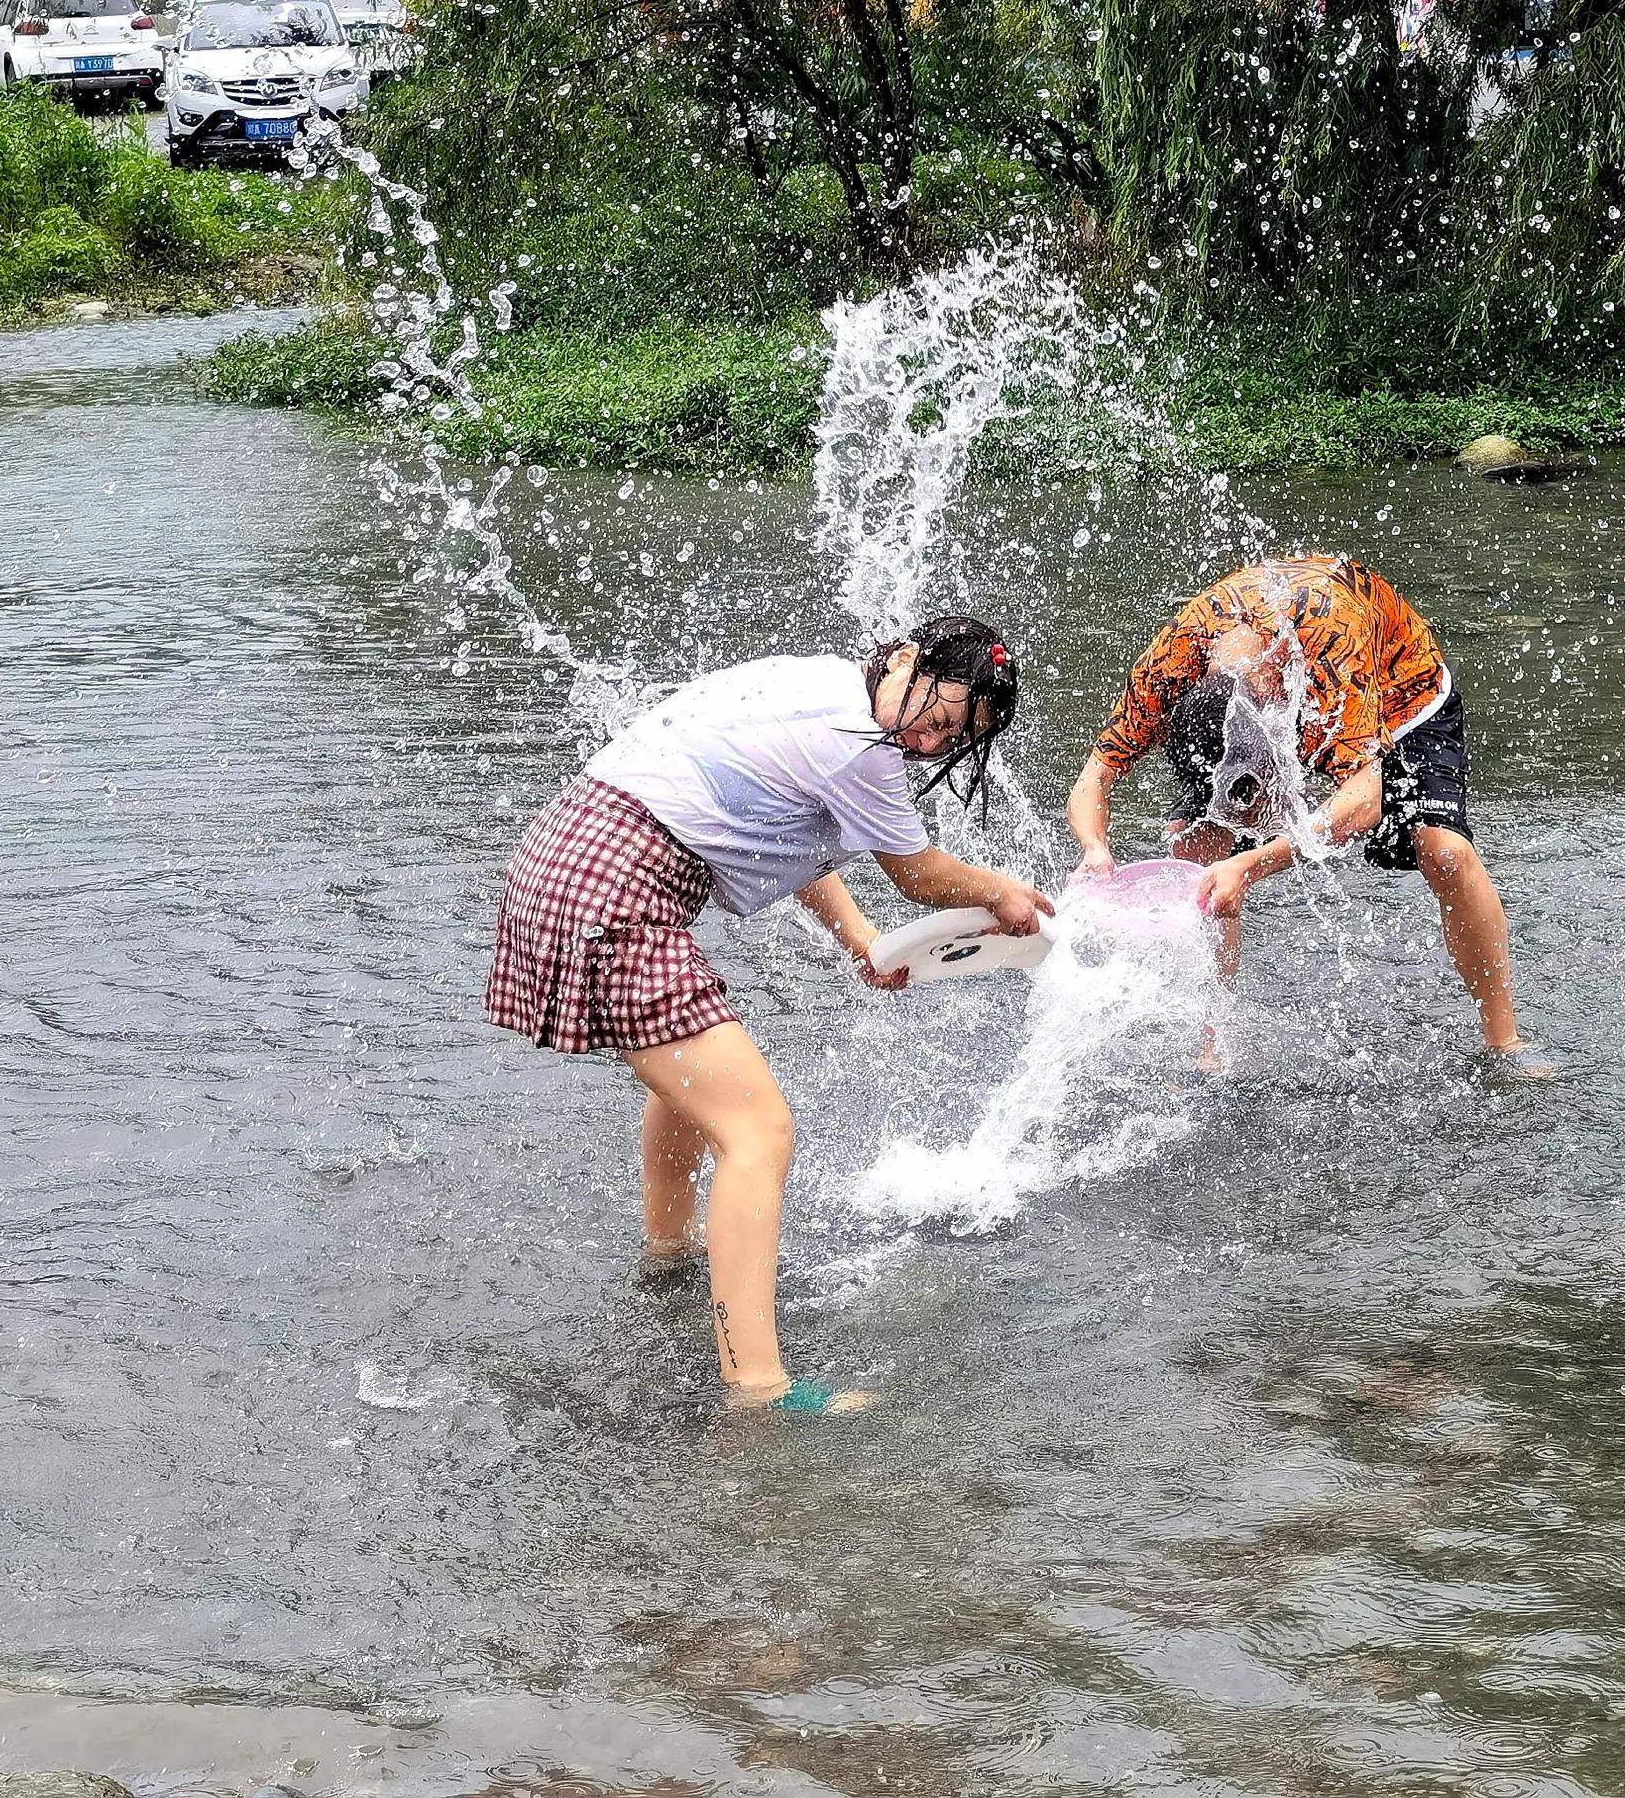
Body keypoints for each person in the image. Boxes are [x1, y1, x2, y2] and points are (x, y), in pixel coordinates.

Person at [486, 617, 1051, 1412]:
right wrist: (1002, 894)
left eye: (950, 739)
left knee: (690, 1078)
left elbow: (790, 836)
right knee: (759, 1131)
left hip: (569, 858)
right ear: (902, 658)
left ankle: (669, 1254)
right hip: (611, 887)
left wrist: (862, 940)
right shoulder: (857, 744)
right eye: (936, 716)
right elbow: (921, 877)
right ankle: (757, 1386)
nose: (927, 742)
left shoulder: (822, 687)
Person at [1063, 553, 1540, 1076]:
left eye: (1253, 796)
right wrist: (1095, 848)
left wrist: (1249, 865)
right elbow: (1094, 777)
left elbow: (1363, 802)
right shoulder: (1169, 668)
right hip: (1269, 692)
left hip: (1401, 694)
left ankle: (1504, 1043)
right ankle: (1213, 1042)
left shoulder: (1333, 649)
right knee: (1198, 850)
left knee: (1443, 852)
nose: (1249, 819)